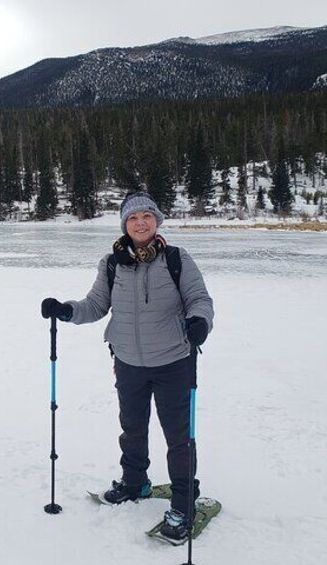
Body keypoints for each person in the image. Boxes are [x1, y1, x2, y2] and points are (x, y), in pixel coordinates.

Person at [40, 192, 214, 540]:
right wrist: (67, 310)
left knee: (178, 437)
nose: (140, 223)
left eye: (147, 216)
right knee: (132, 429)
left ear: (157, 221)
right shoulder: (112, 263)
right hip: (129, 363)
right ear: (125, 224)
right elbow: (95, 305)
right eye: (133, 218)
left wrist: (200, 322)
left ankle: (183, 502)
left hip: (173, 362)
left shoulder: (177, 259)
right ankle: (135, 482)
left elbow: (200, 300)